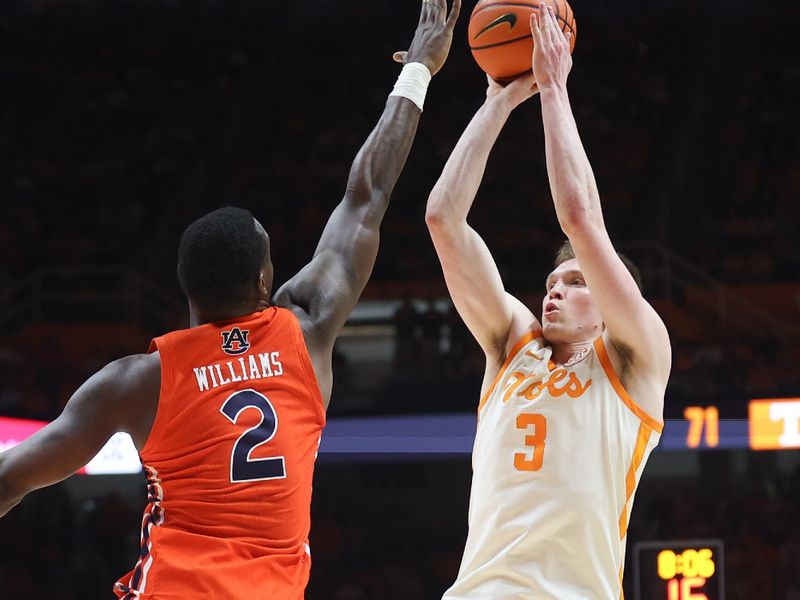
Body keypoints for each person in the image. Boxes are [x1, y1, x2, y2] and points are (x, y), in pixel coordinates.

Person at [0, 1, 460, 598]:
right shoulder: (307, 329)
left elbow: (11, 478)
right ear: (265, 283)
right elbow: (365, 197)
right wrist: (419, 67)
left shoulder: (138, 380)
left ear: (186, 290)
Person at [425, 5, 670, 599]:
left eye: (578, 282)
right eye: (553, 281)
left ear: (611, 302)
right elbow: (443, 217)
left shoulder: (635, 359)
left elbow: (582, 218)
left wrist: (555, 89)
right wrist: (498, 102)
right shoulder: (514, 343)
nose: (556, 289)